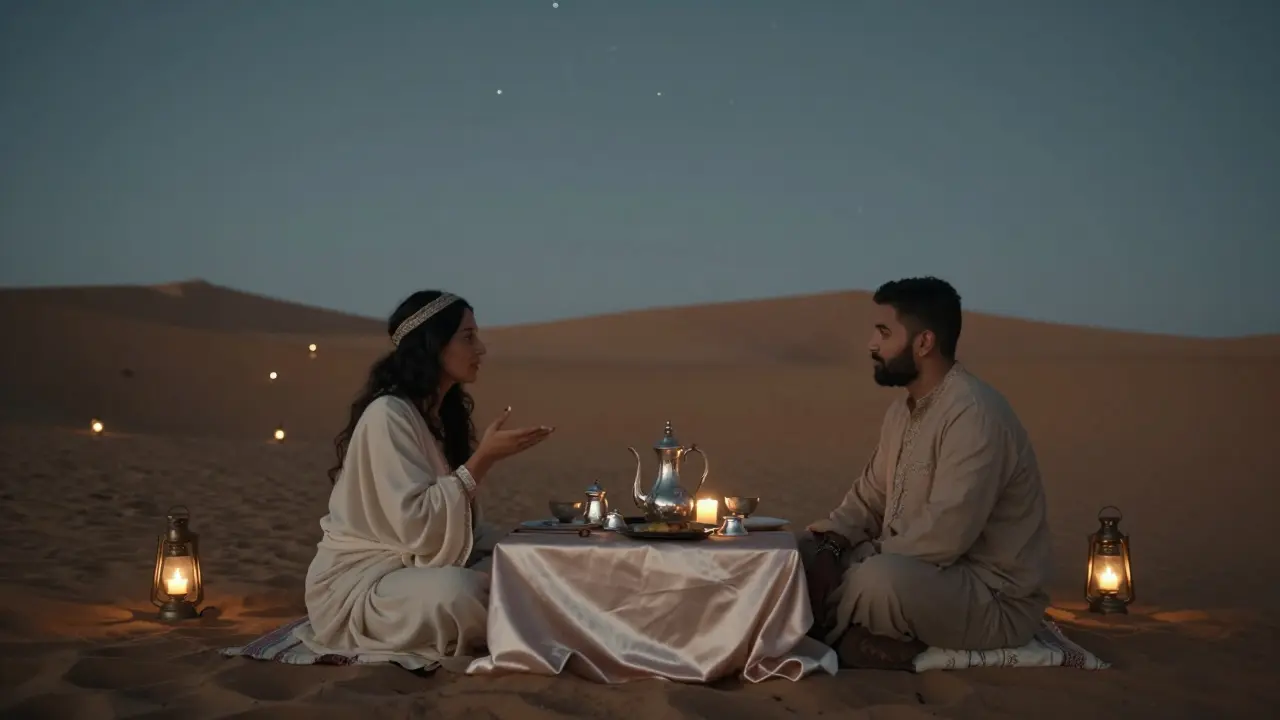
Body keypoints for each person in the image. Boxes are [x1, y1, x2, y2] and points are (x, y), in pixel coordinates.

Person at [294, 290, 555, 670]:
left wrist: (519, 545)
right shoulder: (387, 415)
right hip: (364, 584)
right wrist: (482, 460)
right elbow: (416, 526)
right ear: (433, 345)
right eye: (468, 337)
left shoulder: (436, 417)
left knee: (523, 565)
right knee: (460, 594)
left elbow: (459, 527)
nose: (480, 348)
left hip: (417, 566)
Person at [801, 277, 1052, 670]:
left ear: (924, 343)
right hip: (924, 575)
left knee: (877, 581)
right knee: (806, 551)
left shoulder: (973, 414)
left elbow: (945, 536)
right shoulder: (902, 412)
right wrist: (831, 539)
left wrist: (857, 556)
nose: (871, 344)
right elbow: (869, 498)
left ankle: (829, 638)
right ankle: (843, 638)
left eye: (884, 332)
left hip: (990, 597)